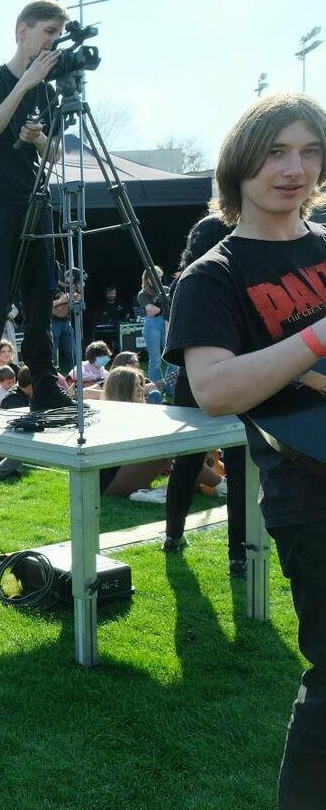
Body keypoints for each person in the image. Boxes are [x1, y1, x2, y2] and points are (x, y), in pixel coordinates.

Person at [163, 93, 326, 810]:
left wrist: (293, 363)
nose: (294, 169)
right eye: (275, 152)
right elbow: (218, 387)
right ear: (240, 162)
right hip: (309, 491)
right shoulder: (212, 275)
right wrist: (318, 343)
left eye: (310, 151)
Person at [0, 0, 73, 427]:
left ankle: (45, 384)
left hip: (35, 202)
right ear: (21, 31)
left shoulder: (48, 90)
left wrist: (40, 138)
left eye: (56, 36)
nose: (52, 43)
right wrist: (23, 83)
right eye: (47, 33)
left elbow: (57, 153)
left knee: (40, 301)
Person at [161, 213, 247, 571]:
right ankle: (239, 553)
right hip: (232, 370)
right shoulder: (229, 277)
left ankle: (172, 534)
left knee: (188, 460)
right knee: (240, 462)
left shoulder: (183, 280)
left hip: (191, 377)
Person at [137, 266, 170, 385]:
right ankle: (156, 385)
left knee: (171, 354)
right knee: (155, 358)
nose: (159, 280)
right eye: (156, 277)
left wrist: (160, 309)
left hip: (166, 322)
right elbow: (150, 311)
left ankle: (171, 386)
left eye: (160, 277)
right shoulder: (143, 293)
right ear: (148, 279)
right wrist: (163, 309)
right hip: (152, 324)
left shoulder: (166, 290)